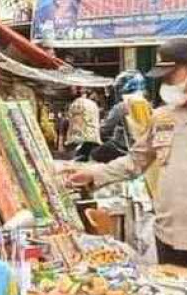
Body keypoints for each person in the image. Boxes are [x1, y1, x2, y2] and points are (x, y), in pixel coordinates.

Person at [70, 38, 187, 267]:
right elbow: (136, 160)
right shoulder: (163, 117)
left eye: (172, 75)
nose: (167, 82)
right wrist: (94, 175)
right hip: (168, 234)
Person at [65, 87, 101, 161]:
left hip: (82, 138)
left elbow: (75, 122)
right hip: (93, 138)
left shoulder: (76, 104)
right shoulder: (93, 104)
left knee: (79, 159)